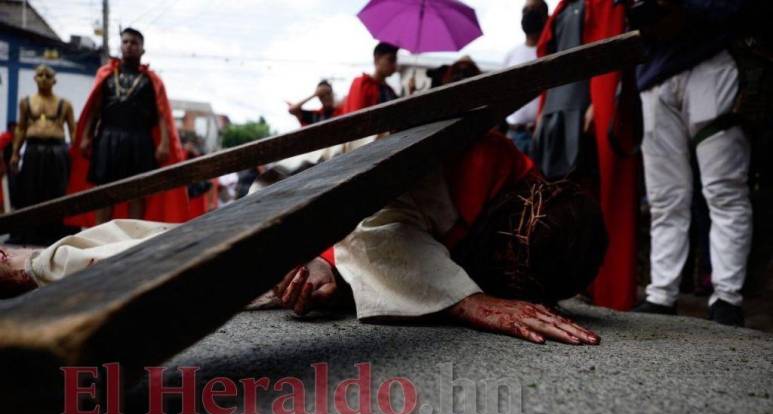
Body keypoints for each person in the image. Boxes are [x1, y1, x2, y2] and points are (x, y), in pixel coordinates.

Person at [0, 132, 605, 346]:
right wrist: (464, 299)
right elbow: (377, 233)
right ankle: (34, 268)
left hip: (349, 248)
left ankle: (39, 263)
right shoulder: (471, 167)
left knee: (220, 265)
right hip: (321, 212)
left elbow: (404, 245)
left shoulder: (512, 191)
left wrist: (340, 278)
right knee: (210, 259)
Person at [631, 0, 753, 327]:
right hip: (655, 75)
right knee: (665, 197)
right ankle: (661, 293)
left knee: (724, 188)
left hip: (711, 60)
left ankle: (727, 296)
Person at [531, 0, 640, 312]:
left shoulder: (602, 4)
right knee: (558, 200)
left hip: (584, 104)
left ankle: (593, 284)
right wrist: (544, 108)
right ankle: (564, 281)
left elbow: (605, 51)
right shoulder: (563, 9)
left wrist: (598, 101)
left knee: (588, 196)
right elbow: (550, 61)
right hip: (556, 108)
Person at [67, 27, 189, 227]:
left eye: (134, 43)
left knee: (137, 191)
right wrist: (87, 136)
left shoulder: (152, 81)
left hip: (140, 140)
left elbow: (161, 116)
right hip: (108, 137)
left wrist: (164, 144)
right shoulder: (106, 75)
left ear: (142, 49)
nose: (129, 46)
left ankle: (131, 239)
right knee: (104, 191)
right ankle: (99, 237)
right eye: (125, 42)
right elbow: (95, 109)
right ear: (120, 45)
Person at [7, 66, 76, 245]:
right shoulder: (26, 102)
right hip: (33, 151)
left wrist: (78, 155)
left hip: (57, 151)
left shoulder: (65, 103)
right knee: (29, 191)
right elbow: (21, 128)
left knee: (56, 192)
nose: (44, 78)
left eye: (48, 75)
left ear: (54, 80)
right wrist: (15, 153)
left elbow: (73, 131)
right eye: (40, 75)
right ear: (34, 78)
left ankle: (54, 232)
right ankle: (30, 232)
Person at [503, 0, 549, 155]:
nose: (530, 14)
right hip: (513, 136)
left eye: (535, 10)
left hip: (543, 135)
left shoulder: (552, 53)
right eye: (526, 10)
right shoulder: (511, 55)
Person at [341, 42, 399, 114]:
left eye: (395, 61)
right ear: (377, 59)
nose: (394, 66)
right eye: (390, 60)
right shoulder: (362, 84)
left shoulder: (390, 90)